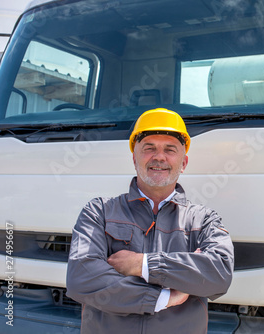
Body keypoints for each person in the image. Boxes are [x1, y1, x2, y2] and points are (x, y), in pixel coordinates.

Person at [66, 108, 234, 333]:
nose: (159, 157)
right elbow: (82, 277)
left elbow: (219, 274)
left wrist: (142, 264)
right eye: (149, 148)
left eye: (169, 149)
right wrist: (164, 297)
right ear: (134, 159)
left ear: (183, 163)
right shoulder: (99, 212)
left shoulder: (203, 220)